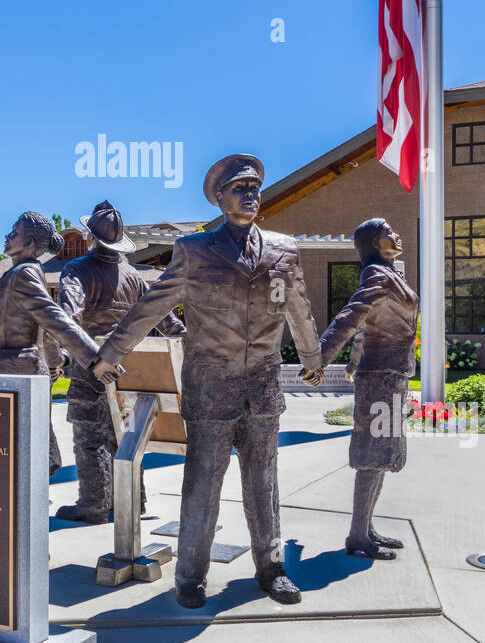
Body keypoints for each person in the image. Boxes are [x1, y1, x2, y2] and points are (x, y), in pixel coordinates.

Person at [93, 155, 323, 608]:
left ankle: (271, 569)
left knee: (264, 485)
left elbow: (299, 306)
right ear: (219, 197)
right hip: (210, 385)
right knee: (202, 486)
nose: (251, 193)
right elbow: (151, 308)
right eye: (240, 187)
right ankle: (191, 576)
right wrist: (109, 354)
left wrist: (312, 355)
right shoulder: (195, 251)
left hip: (262, 386)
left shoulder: (283, 249)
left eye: (255, 186)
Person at [55, 200, 185, 524]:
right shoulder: (135, 277)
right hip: (132, 371)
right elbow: (170, 323)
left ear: (90, 237)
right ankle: (132, 501)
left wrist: (74, 358)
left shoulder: (77, 271)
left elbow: (66, 319)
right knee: (126, 436)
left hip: (91, 368)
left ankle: (94, 504)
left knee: (89, 436)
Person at [318, 218, 419, 559]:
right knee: (370, 457)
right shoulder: (377, 275)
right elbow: (351, 316)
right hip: (379, 377)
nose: (396, 233)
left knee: (381, 457)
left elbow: (365, 327)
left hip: (391, 374)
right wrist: (318, 357)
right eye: (389, 231)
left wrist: (351, 362)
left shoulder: (390, 275)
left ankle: (366, 526)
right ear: (374, 243)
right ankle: (357, 535)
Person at [0, 211, 100, 477]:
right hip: (9, 373)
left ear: (30, 244)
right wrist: (56, 362)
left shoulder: (25, 275)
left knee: (25, 453)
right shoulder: (18, 273)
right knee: (18, 452)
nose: (7, 236)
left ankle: (25, 506)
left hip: (19, 375)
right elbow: (43, 329)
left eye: (14, 232)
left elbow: (53, 319)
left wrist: (94, 358)